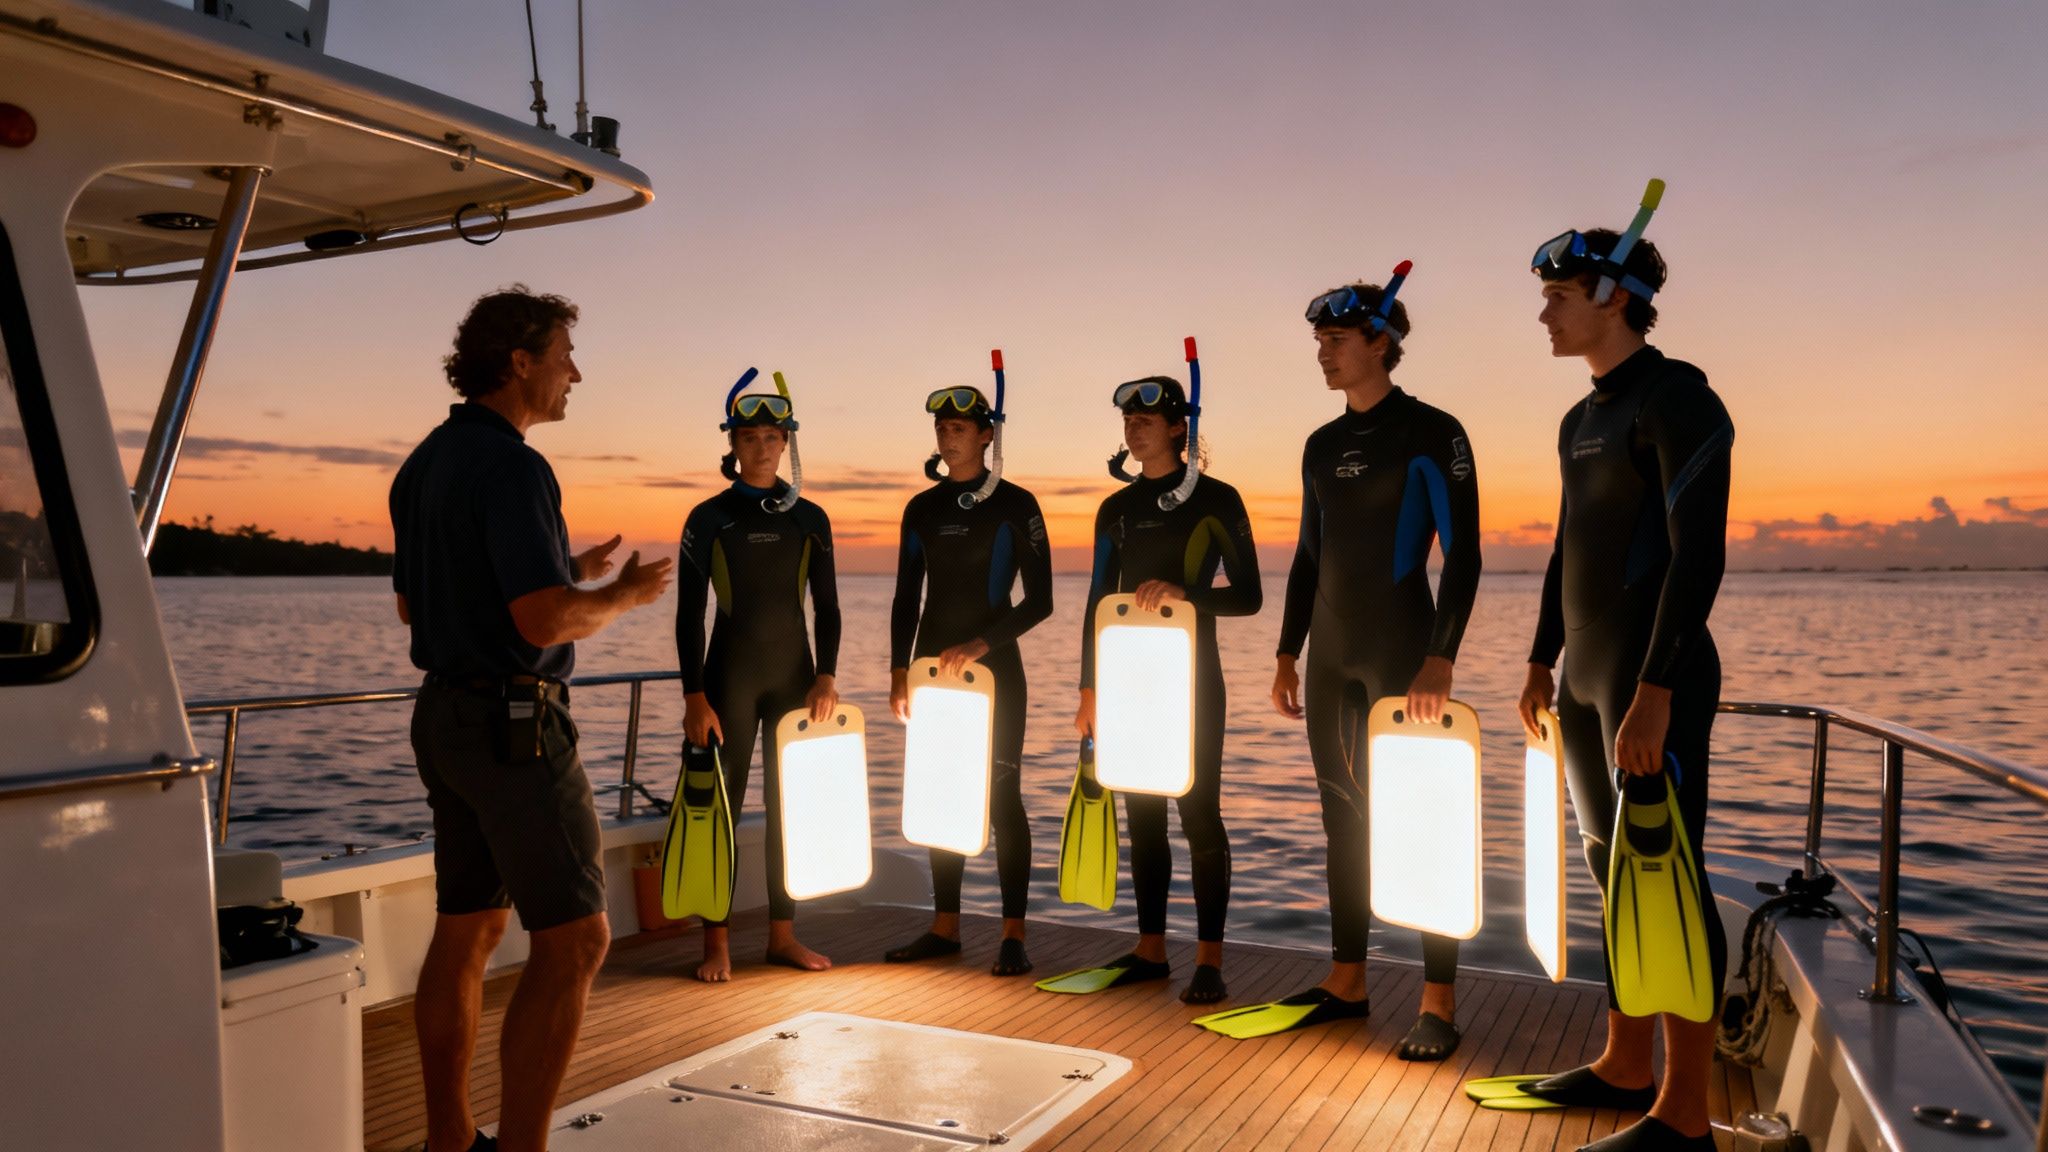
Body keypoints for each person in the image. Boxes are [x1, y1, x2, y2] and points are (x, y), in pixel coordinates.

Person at [391, 286, 672, 1152]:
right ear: (520, 362)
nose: (573, 373)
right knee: (580, 940)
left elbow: (417, 607)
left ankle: (449, 1141)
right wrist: (619, 595)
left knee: (468, 930)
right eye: (563, 356)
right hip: (515, 727)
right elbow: (544, 623)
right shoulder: (514, 465)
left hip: (444, 718)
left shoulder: (426, 462)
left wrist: (565, 567)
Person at [1516, 225, 1734, 1152]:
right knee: (1613, 875)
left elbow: (1699, 554)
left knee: (1668, 882)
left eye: (1558, 297)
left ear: (1611, 296)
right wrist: (1539, 656)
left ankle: (1685, 1114)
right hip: (1586, 679)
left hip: (1656, 679)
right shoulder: (1580, 418)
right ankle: (1621, 1064)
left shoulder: (1678, 397)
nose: (1543, 313)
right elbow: (1572, 547)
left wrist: (1657, 688)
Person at [1262, 272, 1480, 1056]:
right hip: (1328, 657)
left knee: (1423, 823)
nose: (1323, 353)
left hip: (1401, 651)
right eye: (1318, 342)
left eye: (1336, 341)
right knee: (1341, 819)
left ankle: (1438, 1002)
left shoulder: (1433, 432)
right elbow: (1308, 555)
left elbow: (1464, 556)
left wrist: (1439, 660)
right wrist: (1288, 650)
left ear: (1380, 342)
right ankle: (1346, 982)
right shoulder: (1321, 445)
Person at [1055, 374, 1261, 1005]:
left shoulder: (1217, 499)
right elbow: (1096, 598)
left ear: (1180, 427)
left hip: (1192, 681)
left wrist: (1185, 593)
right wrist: (1089, 689)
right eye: (1127, 419)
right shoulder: (1114, 509)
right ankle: (1150, 949)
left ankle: (1208, 959)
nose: (1134, 426)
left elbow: (1249, 597)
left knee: (1198, 816)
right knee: (1141, 817)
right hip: (1126, 679)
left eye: (1149, 418)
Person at [882, 383, 1054, 975]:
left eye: (961, 427)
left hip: (996, 669)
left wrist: (982, 644)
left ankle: (1013, 934)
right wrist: (899, 670)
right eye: (942, 427)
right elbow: (907, 596)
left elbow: (1042, 601)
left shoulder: (1016, 503)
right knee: (940, 793)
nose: (949, 434)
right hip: (931, 671)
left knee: (1002, 797)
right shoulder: (921, 508)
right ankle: (945, 927)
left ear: (987, 434)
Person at [677, 376, 842, 982]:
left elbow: (827, 607)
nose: (763, 446)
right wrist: (694, 695)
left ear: (787, 443)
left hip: (794, 679)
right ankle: (715, 942)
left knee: (788, 810)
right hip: (728, 680)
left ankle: (782, 937)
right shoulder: (709, 518)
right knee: (720, 807)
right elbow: (688, 614)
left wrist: (826, 677)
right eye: (751, 436)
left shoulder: (811, 518)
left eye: (773, 436)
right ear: (735, 444)